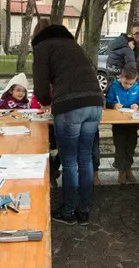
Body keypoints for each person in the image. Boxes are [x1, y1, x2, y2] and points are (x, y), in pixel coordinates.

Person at [32, 23, 104, 226]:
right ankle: (84, 210)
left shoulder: (42, 47)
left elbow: (40, 85)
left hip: (70, 105)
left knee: (70, 160)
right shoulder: (74, 45)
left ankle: (69, 211)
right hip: (95, 103)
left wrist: (46, 102)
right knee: (85, 158)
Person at [107, 63, 139, 184]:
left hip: (132, 122)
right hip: (118, 123)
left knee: (131, 147)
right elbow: (108, 101)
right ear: (121, 78)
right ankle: (121, 170)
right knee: (120, 147)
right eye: (125, 83)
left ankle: (128, 168)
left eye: (130, 84)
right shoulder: (114, 87)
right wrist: (113, 105)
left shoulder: (136, 88)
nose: (128, 86)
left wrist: (137, 104)